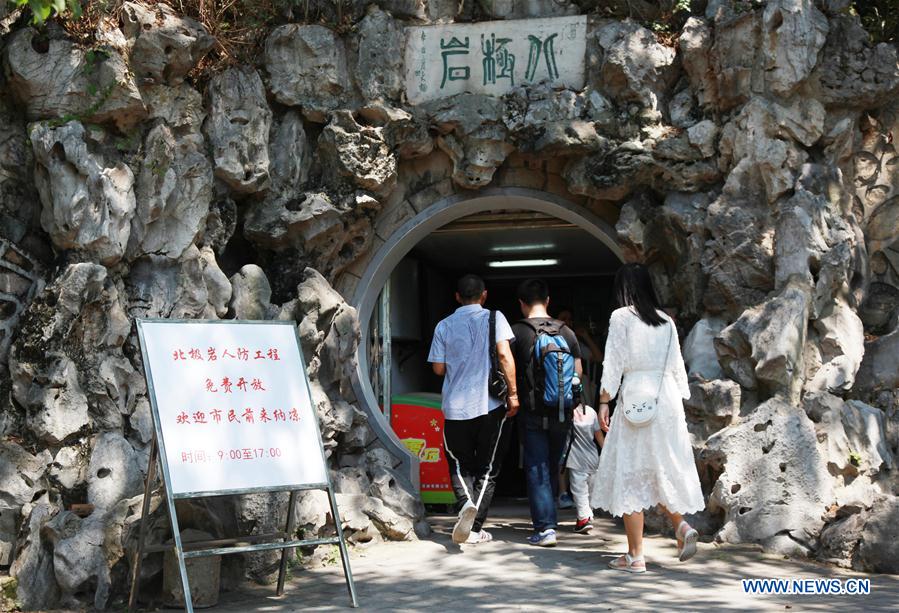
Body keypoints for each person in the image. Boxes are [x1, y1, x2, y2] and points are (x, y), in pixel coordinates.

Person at [591, 263, 704, 572]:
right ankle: (681, 526)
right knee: (660, 469)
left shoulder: (621, 318)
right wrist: (679, 398)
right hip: (664, 398)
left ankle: (635, 555)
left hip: (636, 397)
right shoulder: (666, 321)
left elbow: (613, 363)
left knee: (632, 474)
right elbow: (678, 368)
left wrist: (604, 401)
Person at [428, 274, 519, 545]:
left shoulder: (443, 325)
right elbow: (504, 355)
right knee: (487, 467)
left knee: (458, 463)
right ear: (484, 295)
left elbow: (438, 368)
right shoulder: (495, 317)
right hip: (490, 405)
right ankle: (475, 528)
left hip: (455, 407)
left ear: (457, 296)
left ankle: (465, 504)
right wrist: (513, 394)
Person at [511, 279, 582, 547]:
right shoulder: (567, 332)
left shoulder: (518, 331)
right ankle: (549, 519)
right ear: (548, 300)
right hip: (562, 412)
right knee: (553, 467)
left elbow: (507, 368)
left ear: (521, 302)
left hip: (531, 412)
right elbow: (578, 373)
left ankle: (545, 528)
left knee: (536, 467)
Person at [564, 377, 605, 534]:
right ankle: (588, 515)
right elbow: (599, 437)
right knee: (591, 489)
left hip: (576, 459)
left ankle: (583, 519)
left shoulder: (567, 414)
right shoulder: (592, 412)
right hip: (593, 457)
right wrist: (607, 455)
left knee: (579, 490)